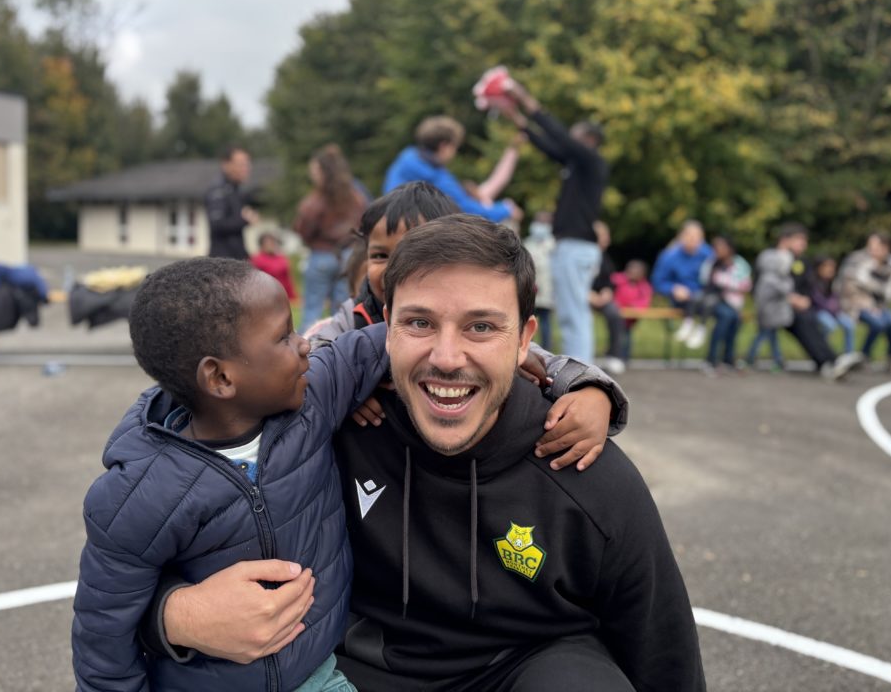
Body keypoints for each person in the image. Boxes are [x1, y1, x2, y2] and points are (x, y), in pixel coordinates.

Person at [151, 216, 703, 691]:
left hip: (529, 667)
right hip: (357, 671)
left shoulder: (584, 469)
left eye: (481, 326)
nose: (446, 357)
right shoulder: (320, 433)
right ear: (386, 327)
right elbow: (135, 545)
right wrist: (178, 616)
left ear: (523, 339)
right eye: (419, 322)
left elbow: (664, 651)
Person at [72, 257, 392, 691]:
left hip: (317, 678)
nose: (305, 345)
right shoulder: (137, 494)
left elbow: (367, 347)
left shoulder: (312, 401)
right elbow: (102, 637)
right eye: (284, 336)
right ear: (220, 377)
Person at [305, 183, 627, 471]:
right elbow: (313, 362)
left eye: (415, 251)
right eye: (380, 255)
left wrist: (592, 393)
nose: (395, 267)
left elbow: (545, 362)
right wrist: (350, 385)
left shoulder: (491, 327)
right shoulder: (350, 318)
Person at [497, 80, 608, 363]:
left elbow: (557, 136)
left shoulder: (592, 161)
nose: (569, 138)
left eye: (575, 135)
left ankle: (581, 370)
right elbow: (549, 146)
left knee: (574, 313)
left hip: (576, 246)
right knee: (571, 313)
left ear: (589, 140)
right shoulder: (577, 166)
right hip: (571, 246)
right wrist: (518, 119)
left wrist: (524, 98)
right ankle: (579, 366)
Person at [754, 223, 861, 380]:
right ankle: (827, 361)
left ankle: (831, 360)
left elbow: (806, 286)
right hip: (774, 308)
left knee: (810, 318)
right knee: (804, 320)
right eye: (799, 240)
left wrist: (803, 299)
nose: (803, 244)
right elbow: (767, 286)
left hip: (795, 308)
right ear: (785, 240)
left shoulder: (801, 262)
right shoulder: (770, 258)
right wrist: (791, 298)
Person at [383, 115, 522, 224]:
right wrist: (505, 210)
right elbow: (465, 211)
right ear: (444, 146)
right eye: (455, 147)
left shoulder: (406, 159)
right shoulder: (435, 177)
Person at [294, 144, 368, 331]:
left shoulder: (317, 199)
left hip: (322, 254)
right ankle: (341, 346)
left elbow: (303, 227)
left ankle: (307, 347)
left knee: (312, 310)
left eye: (314, 170)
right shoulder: (355, 196)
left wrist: (310, 241)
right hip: (348, 255)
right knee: (342, 311)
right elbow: (364, 221)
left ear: (322, 172)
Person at [838, 232, 891, 372]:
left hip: (879, 307)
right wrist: (870, 305)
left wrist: (878, 305)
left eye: (877, 246)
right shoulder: (857, 260)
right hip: (855, 305)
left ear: (886, 248)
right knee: (878, 324)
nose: (872, 249)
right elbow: (848, 288)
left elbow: (887, 294)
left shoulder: (890, 265)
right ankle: (863, 356)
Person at [651, 220, 714, 349]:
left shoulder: (708, 254)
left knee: (725, 312)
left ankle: (713, 349)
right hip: (681, 300)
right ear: (681, 236)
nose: (693, 240)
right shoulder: (669, 255)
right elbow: (657, 281)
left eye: (697, 237)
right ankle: (691, 326)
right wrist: (673, 288)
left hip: (704, 299)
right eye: (690, 236)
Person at [697, 235, 751, 373]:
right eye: (716, 247)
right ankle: (711, 359)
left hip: (733, 303)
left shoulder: (740, 264)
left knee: (735, 319)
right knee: (726, 317)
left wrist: (725, 283)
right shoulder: (711, 263)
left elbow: (745, 285)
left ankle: (728, 358)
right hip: (714, 301)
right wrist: (730, 285)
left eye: (721, 247)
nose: (718, 250)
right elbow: (706, 282)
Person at [205, 145, 257, 260]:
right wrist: (245, 220)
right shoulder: (218, 190)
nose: (246, 168)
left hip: (237, 259)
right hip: (223, 261)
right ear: (226, 165)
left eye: (247, 164)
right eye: (241, 164)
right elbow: (217, 225)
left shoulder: (236, 190)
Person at [589, 221, 627, 373]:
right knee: (582, 318)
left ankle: (614, 355)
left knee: (614, 314)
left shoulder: (604, 257)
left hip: (601, 299)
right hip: (582, 298)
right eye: (604, 236)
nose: (608, 239)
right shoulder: (582, 255)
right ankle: (583, 355)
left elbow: (609, 281)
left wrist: (607, 292)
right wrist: (587, 295)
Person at [524, 211, 556, 351]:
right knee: (528, 320)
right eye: (538, 222)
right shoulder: (527, 243)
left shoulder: (554, 245)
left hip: (547, 289)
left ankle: (546, 350)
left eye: (543, 223)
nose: (539, 226)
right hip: (530, 288)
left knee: (545, 321)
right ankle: (529, 348)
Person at [809, 255, 854, 355]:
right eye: (827, 266)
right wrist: (832, 307)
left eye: (832, 267)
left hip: (834, 311)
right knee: (830, 325)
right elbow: (818, 301)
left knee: (849, 324)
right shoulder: (813, 282)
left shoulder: (833, 282)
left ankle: (849, 354)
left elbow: (837, 299)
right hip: (818, 311)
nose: (830, 270)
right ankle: (822, 350)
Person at [611, 259, 653, 360]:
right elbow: (609, 285)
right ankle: (614, 355)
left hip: (630, 318)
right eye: (631, 271)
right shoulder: (619, 280)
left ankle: (624, 358)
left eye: (637, 272)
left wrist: (634, 307)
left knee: (626, 337)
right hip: (616, 315)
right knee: (616, 335)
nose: (634, 274)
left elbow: (644, 301)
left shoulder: (644, 286)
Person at [250, 231, 297, 303]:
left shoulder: (281, 258)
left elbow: (288, 278)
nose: (271, 245)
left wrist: (293, 296)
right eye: (268, 243)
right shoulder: (256, 260)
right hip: (266, 296)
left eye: (273, 243)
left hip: (284, 293)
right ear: (262, 245)